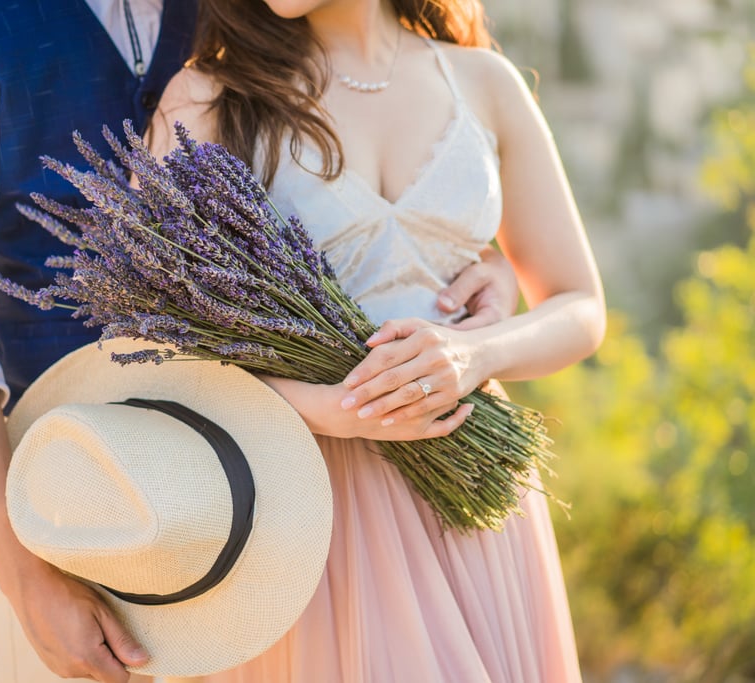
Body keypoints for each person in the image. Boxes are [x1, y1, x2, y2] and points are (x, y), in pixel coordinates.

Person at [0, 0, 521, 681]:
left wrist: (471, 263)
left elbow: (385, 142)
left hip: (283, 521)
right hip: (88, 515)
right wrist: (25, 572)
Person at [141, 0, 606, 681]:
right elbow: (155, 350)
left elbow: (580, 304)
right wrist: (318, 407)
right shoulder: (206, 99)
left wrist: (476, 353)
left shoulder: (483, 81)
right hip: (305, 512)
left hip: (475, 493)